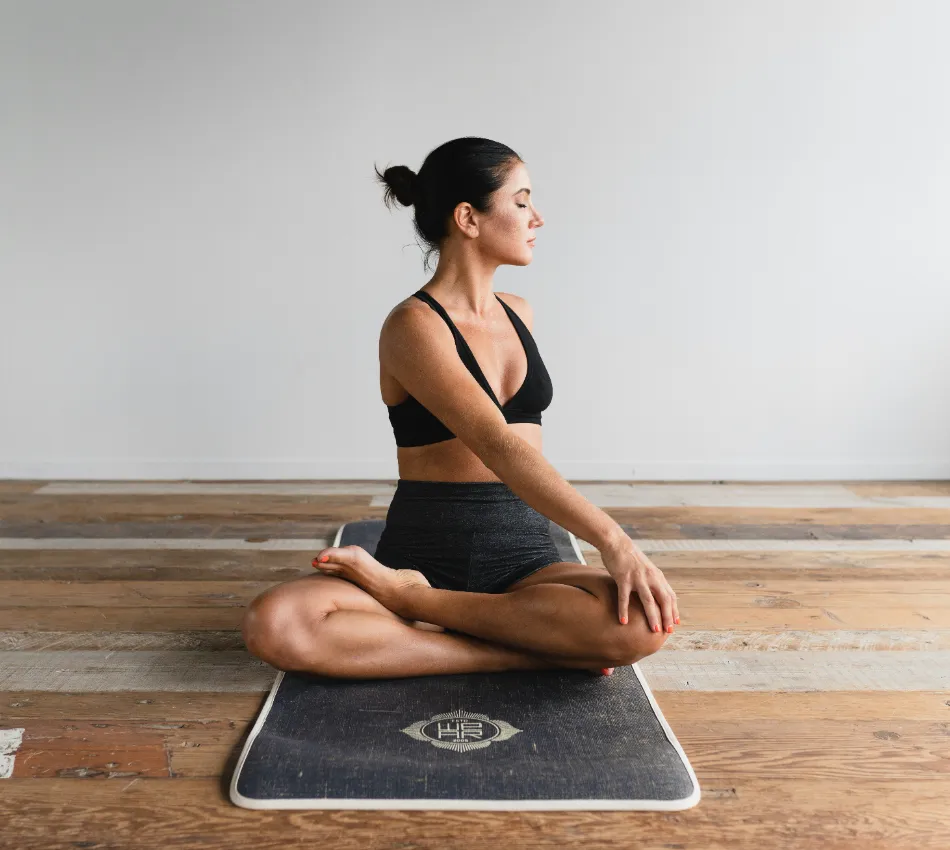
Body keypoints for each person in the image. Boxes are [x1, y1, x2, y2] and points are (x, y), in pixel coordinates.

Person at [241, 137, 679, 680]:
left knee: (643, 622)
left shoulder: (520, 313)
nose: (536, 217)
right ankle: (507, 643)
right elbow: (496, 444)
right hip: (421, 556)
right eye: (521, 202)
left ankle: (424, 611)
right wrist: (614, 540)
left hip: (524, 560)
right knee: (277, 623)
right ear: (468, 218)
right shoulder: (413, 325)